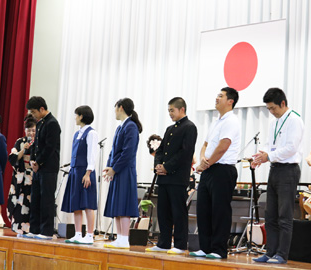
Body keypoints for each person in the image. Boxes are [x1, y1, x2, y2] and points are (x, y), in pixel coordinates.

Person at [252, 88, 304, 264]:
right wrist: (261, 156)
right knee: (271, 214)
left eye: (273, 108)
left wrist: (269, 156)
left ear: (283, 103)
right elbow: (269, 144)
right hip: (274, 169)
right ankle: (270, 252)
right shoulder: (275, 122)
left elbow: (291, 148)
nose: (271, 112)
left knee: (284, 215)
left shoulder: (294, 120)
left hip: (288, 170)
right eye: (268, 109)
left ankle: (282, 254)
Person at [190, 87, 240, 259]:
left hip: (223, 170)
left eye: (221, 96)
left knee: (220, 211)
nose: (216, 98)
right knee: (203, 209)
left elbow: (223, 147)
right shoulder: (215, 121)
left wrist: (206, 163)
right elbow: (205, 145)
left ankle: (219, 249)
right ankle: (205, 247)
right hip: (209, 170)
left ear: (230, 101)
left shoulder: (231, 120)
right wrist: (203, 158)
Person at [146, 97, 197, 255]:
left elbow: (186, 152)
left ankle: (181, 244)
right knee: (163, 211)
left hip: (177, 177)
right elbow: (160, 151)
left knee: (178, 211)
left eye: (172, 110)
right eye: (168, 110)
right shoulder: (169, 128)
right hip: (164, 177)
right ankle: (164, 242)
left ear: (182, 109)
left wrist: (167, 167)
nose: (170, 113)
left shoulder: (190, 127)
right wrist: (158, 166)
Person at [103, 98, 143, 249]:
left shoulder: (131, 126)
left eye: (115, 108)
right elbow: (114, 150)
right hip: (118, 170)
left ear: (120, 108)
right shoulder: (121, 126)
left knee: (124, 204)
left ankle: (124, 238)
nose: (114, 111)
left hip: (125, 170)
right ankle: (120, 237)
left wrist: (115, 168)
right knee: (118, 204)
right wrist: (109, 166)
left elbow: (128, 152)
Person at [24, 96, 61, 240]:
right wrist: (33, 160)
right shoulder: (40, 123)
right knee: (36, 199)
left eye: (33, 112)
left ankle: (46, 231)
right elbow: (36, 145)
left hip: (49, 167)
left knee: (46, 199)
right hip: (38, 168)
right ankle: (34, 229)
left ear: (42, 109)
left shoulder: (52, 123)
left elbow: (50, 147)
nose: (32, 115)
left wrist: (38, 162)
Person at [61, 106, 98, 244]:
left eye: (76, 115)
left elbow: (92, 155)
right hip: (75, 171)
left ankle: (89, 235)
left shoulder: (91, 133)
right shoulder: (76, 134)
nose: (75, 117)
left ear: (81, 116)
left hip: (85, 171)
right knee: (76, 203)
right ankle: (77, 233)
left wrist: (88, 173)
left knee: (88, 203)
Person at [7, 114, 37, 235]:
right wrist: (23, 150)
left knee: (32, 203)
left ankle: (32, 229)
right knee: (19, 203)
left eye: (33, 130)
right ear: (25, 131)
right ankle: (18, 228)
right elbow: (13, 158)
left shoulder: (39, 142)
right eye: (28, 130)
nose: (31, 133)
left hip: (34, 176)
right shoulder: (20, 141)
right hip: (20, 177)